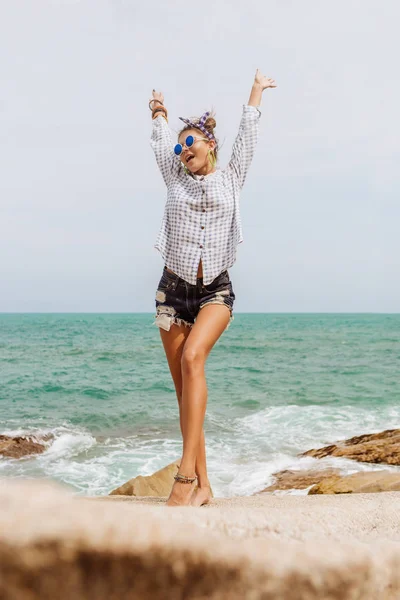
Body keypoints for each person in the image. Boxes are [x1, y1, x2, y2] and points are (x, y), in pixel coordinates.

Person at [149, 69, 277, 507]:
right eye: (179, 146)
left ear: (210, 146)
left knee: (193, 357)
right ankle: (204, 487)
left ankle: (185, 478)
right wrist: (158, 116)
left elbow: (248, 138)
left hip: (215, 292)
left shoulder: (231, 178)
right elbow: (158, 142)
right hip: (172, 292)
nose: (184, 150)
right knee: (186, 394)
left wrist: (256, 93)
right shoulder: (174, 178)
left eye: (191, 143)